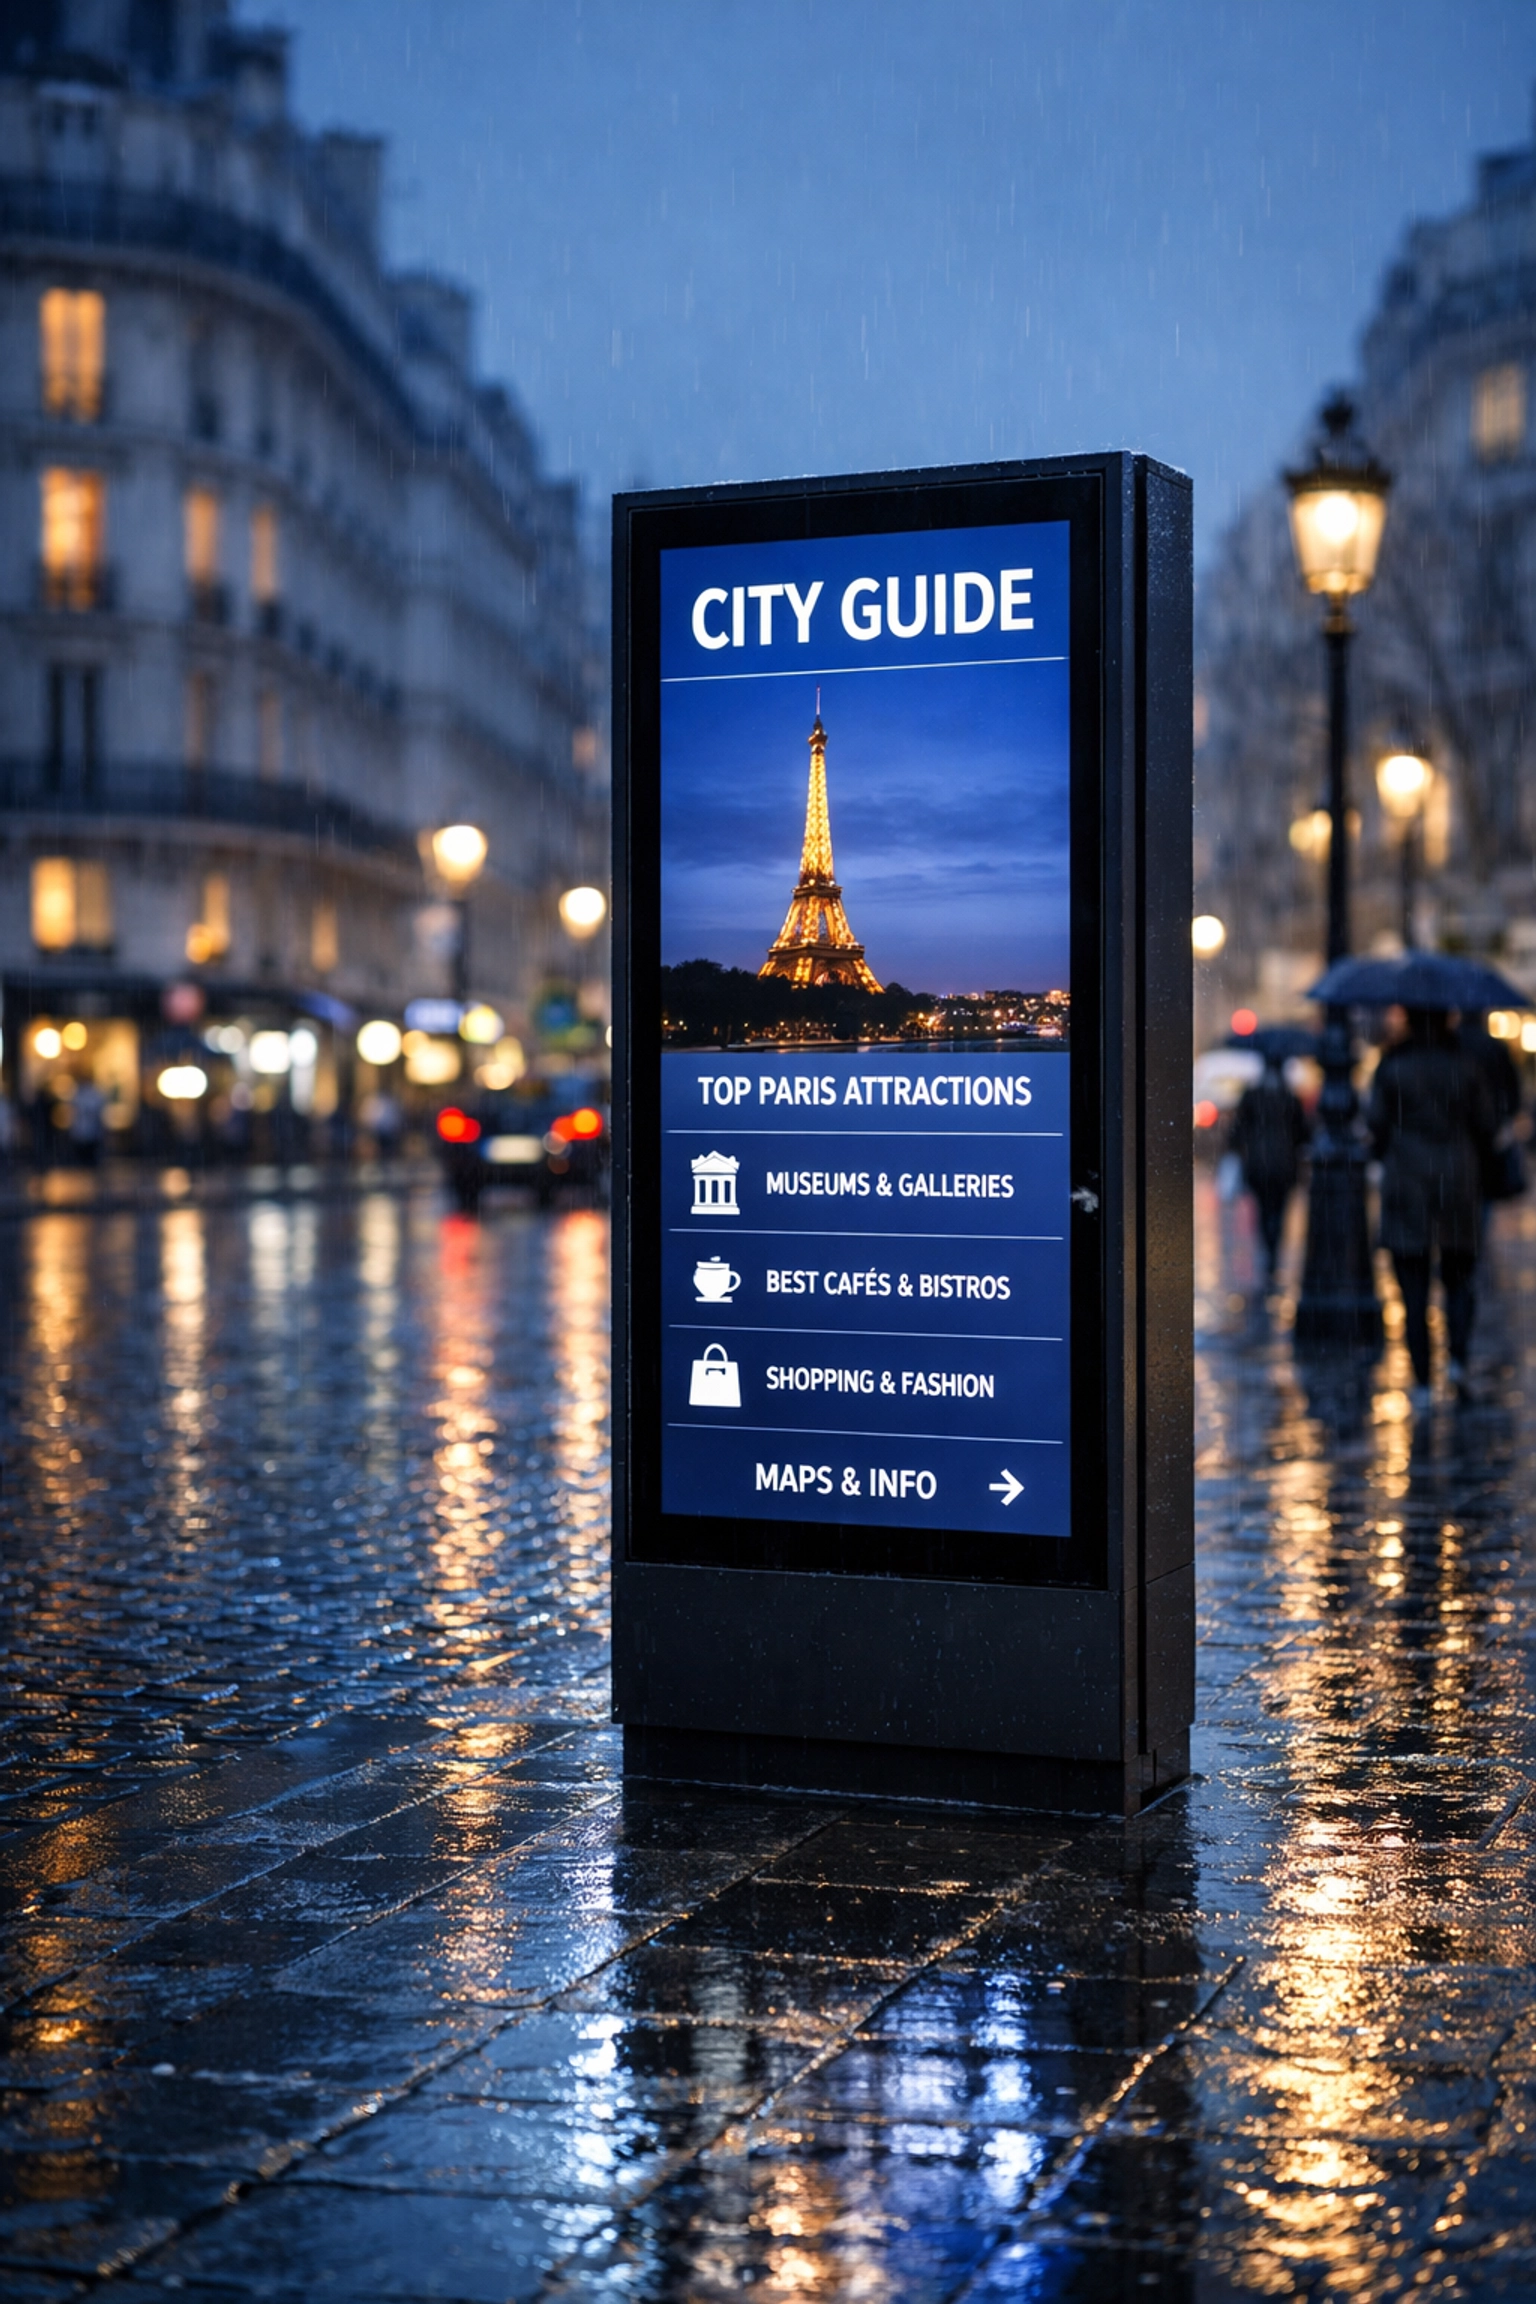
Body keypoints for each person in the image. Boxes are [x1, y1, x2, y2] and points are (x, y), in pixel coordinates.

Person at [1368, 1006, 1497, 1407]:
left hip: (1407, 1183)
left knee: (1413, 1291)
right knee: (1459, 1280)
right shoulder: (1465, 1065)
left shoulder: (1392, 1065)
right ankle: (1456, 1360)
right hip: (1457, 1182)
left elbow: (1375, 1124)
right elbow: (1487, 1126)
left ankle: (1423, 1380)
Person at [1229, 1054, 1309, 1285]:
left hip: (1258, 1165)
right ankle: (1273, 1251)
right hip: (1284, 1165)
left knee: (1264, 1210)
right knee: (1279, 1210)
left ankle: (1268, 1248)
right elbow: (1303, 1133)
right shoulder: (1290, 1097)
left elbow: (1237, 1132)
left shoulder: (1252, 1095)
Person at [1459, 1009, 1525, 1224]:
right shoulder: (1494, 1047)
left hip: (1460, 1130)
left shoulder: (1451, 1045)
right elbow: (1513, 1089)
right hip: (1488, 1129)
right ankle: (1477, 1237)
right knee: (1484, 1187)